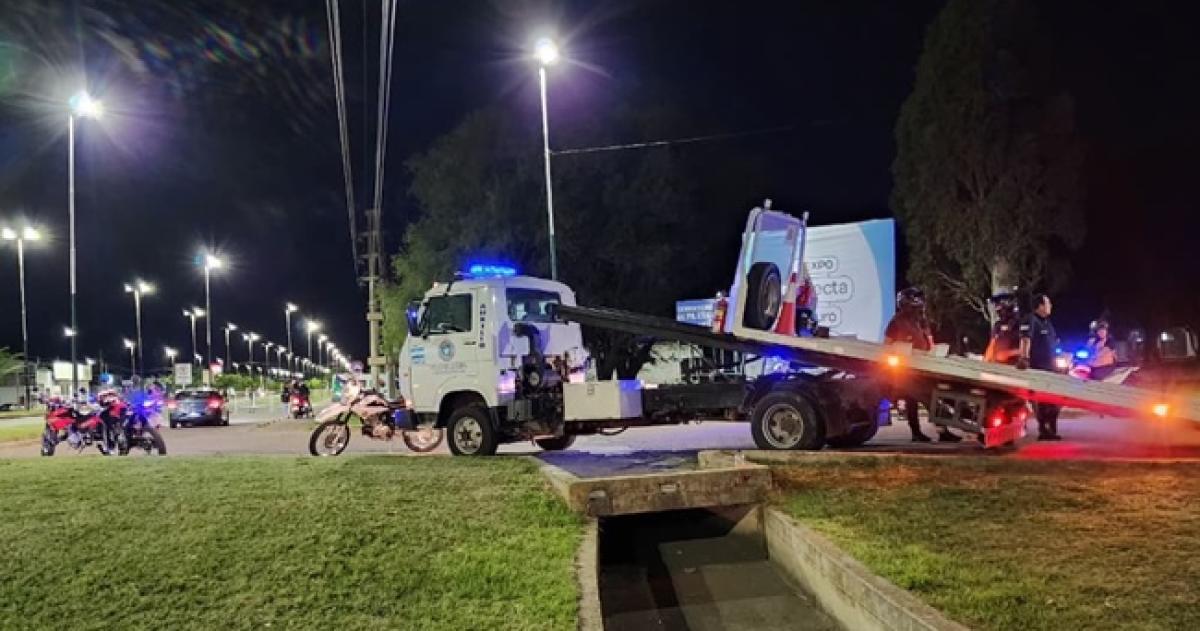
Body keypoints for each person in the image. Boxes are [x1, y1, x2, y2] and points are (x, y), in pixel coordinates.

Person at [884, 287, 961, 443]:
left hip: (924, 367)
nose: (920, 303)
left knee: (932, 399)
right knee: (916, 401)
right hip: (907, 371)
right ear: (906, 302)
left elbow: (929, 341)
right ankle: (918, 433)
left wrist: (935, 354)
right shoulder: (896, 322)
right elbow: (887, 345)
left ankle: (940, 431)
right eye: (915, 299)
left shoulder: (921, 320)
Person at [1018, 293, 1062, 440]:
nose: (1051, 306)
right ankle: (1044, 430)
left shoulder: (1047, 323)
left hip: (1051, 369)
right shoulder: (1031, 320)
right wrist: (1024, 358)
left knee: (1055, 402)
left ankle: (1051, 430)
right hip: (1038, 369)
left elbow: (1054, 343)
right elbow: (1025, 339)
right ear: (1040, 306)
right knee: (1043, 401)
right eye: (1048, 303)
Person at [984, 291, 1022, 365]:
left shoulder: (1021, 324)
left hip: (1017, 367)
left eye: (999, 304)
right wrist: (985, 365)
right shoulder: (998, 326)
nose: (997, 308)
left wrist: (1011, 353)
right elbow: (991, 347)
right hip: (999, 366)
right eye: (996, 305)